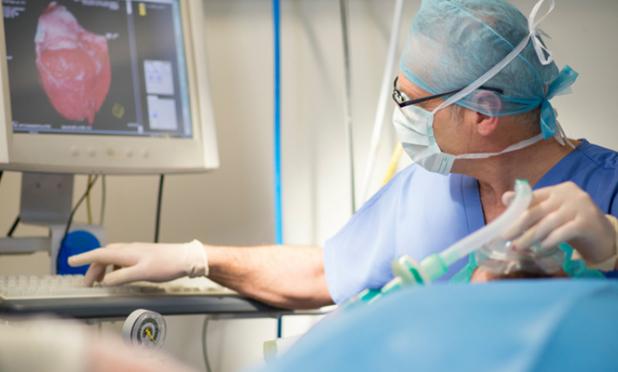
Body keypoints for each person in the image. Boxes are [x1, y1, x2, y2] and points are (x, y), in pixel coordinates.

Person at [69, 0, 618, 309]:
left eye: (411, 99)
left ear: (483, 112)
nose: (401, 111)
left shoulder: (605, 192)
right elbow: (324, 272)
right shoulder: (429, 189)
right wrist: (197, 258)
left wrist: (612, 245)